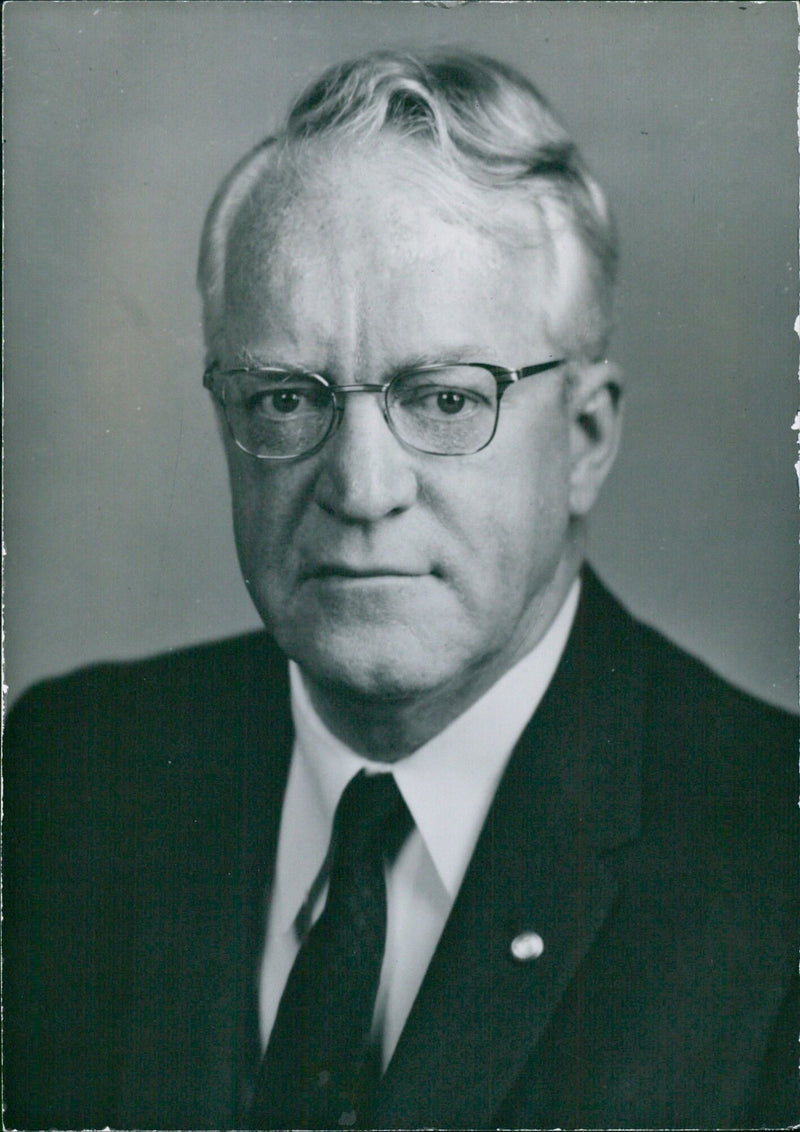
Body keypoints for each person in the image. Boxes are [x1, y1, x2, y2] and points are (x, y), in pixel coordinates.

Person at [3, 49, 797, 1130]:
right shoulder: (67, 773)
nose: (360, 488)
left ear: (584, 439)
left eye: (442, 398)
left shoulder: (770, 861)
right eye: (285, 397)